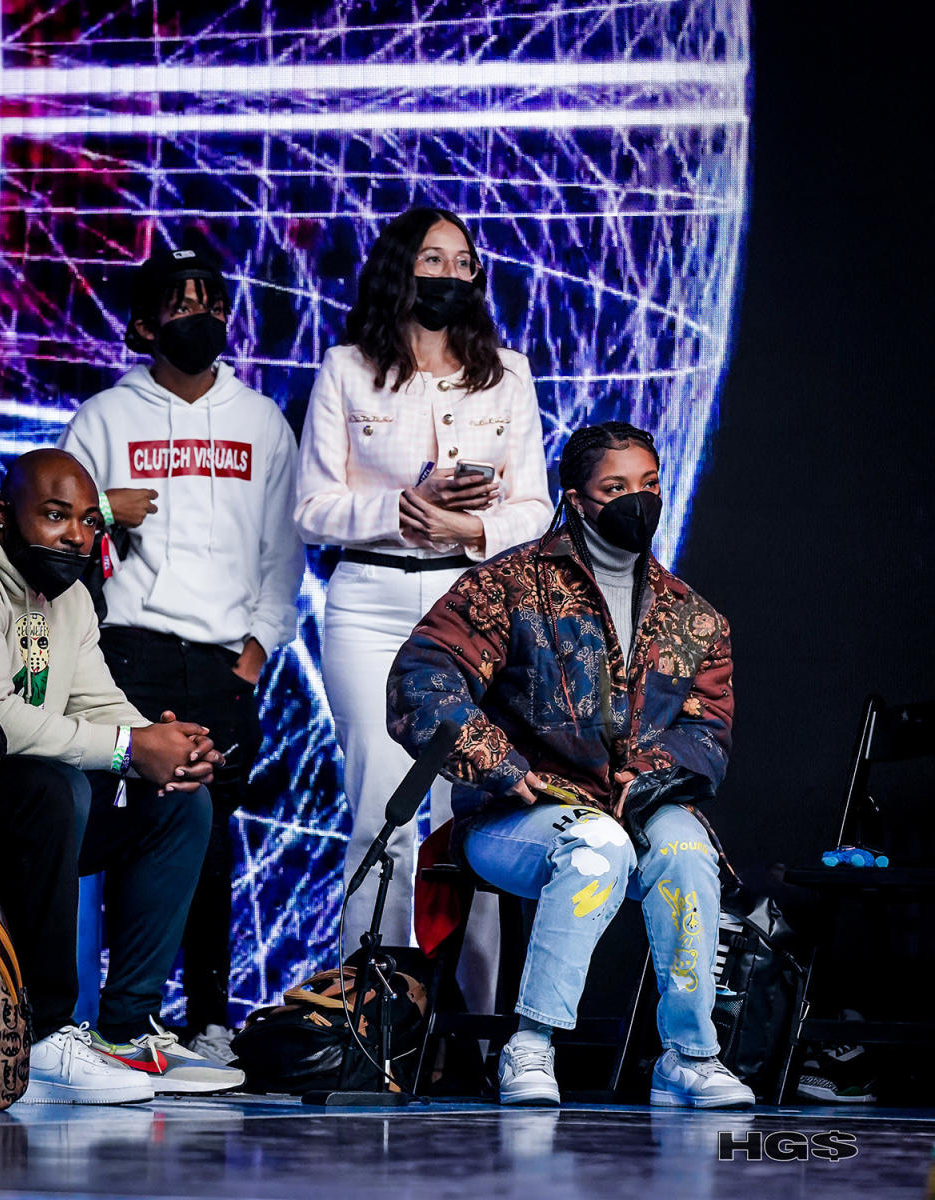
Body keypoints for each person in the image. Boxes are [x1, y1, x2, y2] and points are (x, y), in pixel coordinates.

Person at [387, 421, 755, 1108]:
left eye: (648, 485)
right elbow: (423, 674)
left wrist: (645, 774)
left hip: (636, 806)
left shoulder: (693, 617)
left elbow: (709, 729)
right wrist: (496, 761)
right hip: (517, 816)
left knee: (687, 850)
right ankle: (530, 1045)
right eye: (615, 487)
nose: (635, 501)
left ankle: (690, 1057)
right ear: (577, 498)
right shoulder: (510, 585)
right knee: (596, 848)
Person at [294, 206, 553, 1000]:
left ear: (477, 277)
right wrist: (398, 511)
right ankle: (368, 1007)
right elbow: (311, 508)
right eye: (430, 259)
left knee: (459, 810)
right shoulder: (346, 369)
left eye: (461, 261)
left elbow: (538, 509)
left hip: (465, 605)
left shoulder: (507, 374)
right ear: (400, 268)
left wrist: (468, 524)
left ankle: (473, 1024)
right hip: (368, 597)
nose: (446, 274)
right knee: (381, 804)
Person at [59, 243, 304, 1062]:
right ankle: (121, 1019)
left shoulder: (260, 420)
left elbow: (284, 549)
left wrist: (257, 652)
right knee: (125, 831)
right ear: (141, 325)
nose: (199, 314)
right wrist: (100, 509)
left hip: (223, 662)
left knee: (209, 835)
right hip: (127, 654)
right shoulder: (103, 418)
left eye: (211, 299)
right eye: (179, 302)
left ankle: (208, 1021)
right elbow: (56, 531)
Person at [0, 448, 246, 1103]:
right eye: (55, 515)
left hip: (40, 813)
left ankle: (127, 1030)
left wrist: (165, 747)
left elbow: (95, 701)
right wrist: (130, 747)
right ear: (7, 517)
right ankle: (39, 1039)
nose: (76, 535)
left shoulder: (68, 596)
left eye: (89, 522)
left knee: (178, 803)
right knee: (55, 786)